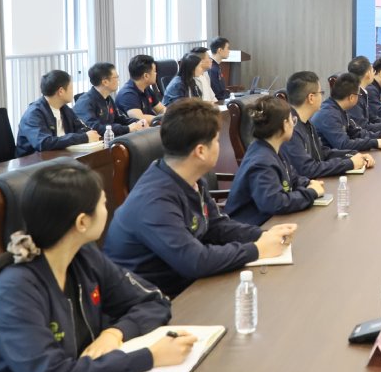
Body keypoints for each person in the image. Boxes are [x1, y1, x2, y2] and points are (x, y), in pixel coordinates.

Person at [0, 161, 193, 372]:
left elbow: (153, 301)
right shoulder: (15, 289)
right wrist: (150, 357)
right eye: (103, 203)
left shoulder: (83, 257)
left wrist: (115, 333)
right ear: (82, 222)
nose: (108, 210)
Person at [102, 99, 297, 296]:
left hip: (187, 287)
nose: (219, 146)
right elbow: (195, 261)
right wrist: (257, 249)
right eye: (217, 141)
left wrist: (263, 235)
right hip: (155, 301)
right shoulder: (154, 201)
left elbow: (217, 226)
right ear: (201, 151)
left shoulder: (190, 179)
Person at [225, 96, 325, 226]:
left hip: (269, 221)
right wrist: (311, 193)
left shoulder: (272, 149)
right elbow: (274, 203)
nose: (293, 125)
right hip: (252, 227)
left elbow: (292, 177)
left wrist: (308, 183)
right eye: (293, 120)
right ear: (284, 124)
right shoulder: (261, 161)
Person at [282, 70, 376, 179]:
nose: (323, 97)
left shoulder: (306, 123)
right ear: (311, 98)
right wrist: (349, 163)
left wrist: (352, 155)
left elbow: (321, 152)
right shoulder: (291, 128)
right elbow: (308, 169)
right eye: (321, 93)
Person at [16, 70, 100, 156]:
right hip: (34, 161)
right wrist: (84, 137)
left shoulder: (64, 109)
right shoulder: (33, 114)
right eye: (71, 88)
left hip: (60, 156)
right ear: (61, 91)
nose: (73, 92)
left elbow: (81, 129)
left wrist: (88, 134)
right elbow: (44, 143)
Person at [310, 73, 381, 153]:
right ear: (352, 97)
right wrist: (375, 143)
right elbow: (343, 145)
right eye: (358, 95)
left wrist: (380, 136)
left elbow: (355, 133)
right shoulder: (328, 114)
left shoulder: (338, 108)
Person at [75, 61, 146, 137]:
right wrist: (127, 129)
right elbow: (94, 128)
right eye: (116, 77)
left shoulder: (107, 98)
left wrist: (138, 122)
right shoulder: (85, 102)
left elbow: (120, 118)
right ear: (105, 82)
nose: (118, 80)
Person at [116, 54, 165, 121]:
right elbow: (139, 119)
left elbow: (161, 109)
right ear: (146, 76)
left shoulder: (146, 88)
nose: (156, 74)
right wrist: (162, 118)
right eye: (154, 71)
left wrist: (169, 116)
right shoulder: (127, 94)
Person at [207, 37, 230, 101]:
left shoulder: (216, 66)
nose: (229, 51)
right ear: (220, 50)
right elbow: (217, 94)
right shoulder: (212, 68)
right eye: (227, 48)